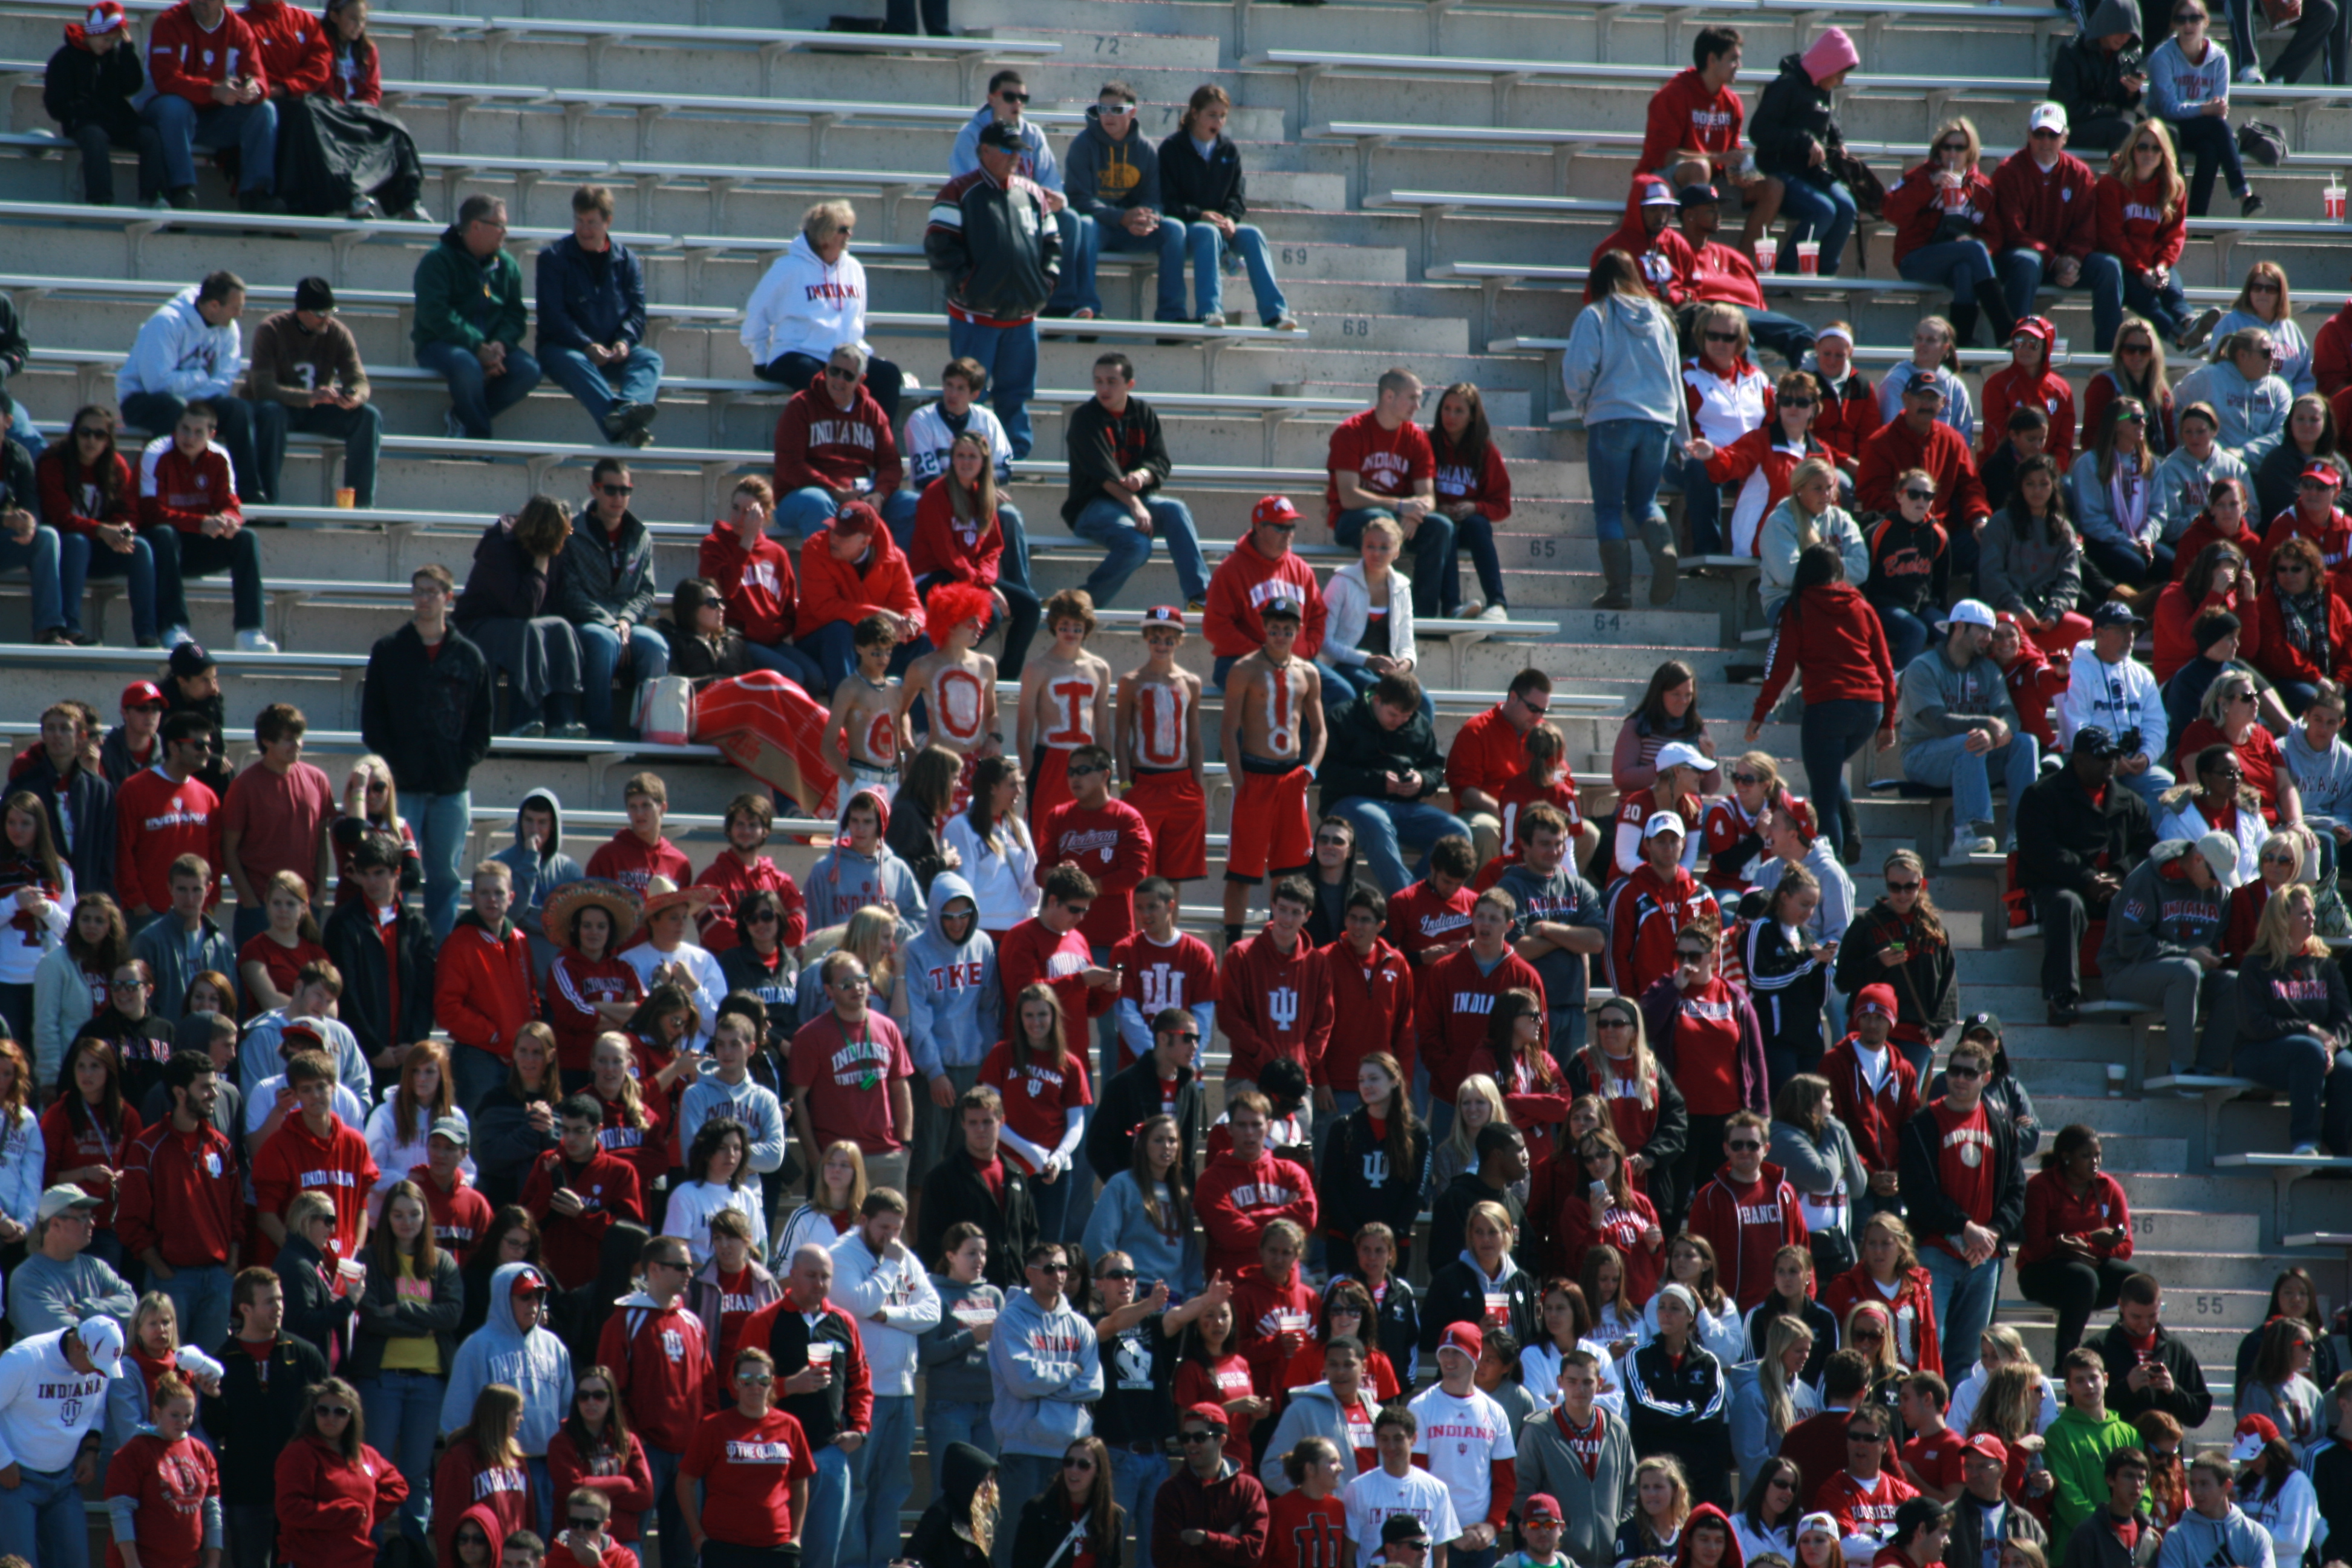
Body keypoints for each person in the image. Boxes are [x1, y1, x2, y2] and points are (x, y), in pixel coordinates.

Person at [358, 563, 491, 947]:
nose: (424, 599)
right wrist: (395, 768)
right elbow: (373, 720)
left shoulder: (469, 657)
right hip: (402, 789)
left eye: (433, 591)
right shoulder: (389, 651)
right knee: (394, 873)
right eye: (419, 590)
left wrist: (460, 764)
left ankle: (439, 955)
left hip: (452, 789)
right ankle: (393, 949)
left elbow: (482, 723)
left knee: (446, 877)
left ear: (449, 597)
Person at [926, 117, 1061, 462]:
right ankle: (971, 463)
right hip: (975, 317)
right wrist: (968, 286)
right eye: (1007, 150)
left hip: (1022, 318)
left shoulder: (1032, 193)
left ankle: (1013, 462)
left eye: (1019, 150)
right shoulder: (958, 191)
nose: (1015, 157)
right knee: (971, 394)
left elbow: (1053, 244)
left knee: (1016, 395)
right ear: (983, 151)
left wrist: (1044, 287)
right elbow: (940, 247)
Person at [1563, 250, 1689, 609]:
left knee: (1608, 508)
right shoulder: (1663, 319)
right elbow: (1675, 379)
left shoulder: (1596, 314)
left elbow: (1578, 369)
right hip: (1659, 423)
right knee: (1644, 502)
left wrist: (1584, 405)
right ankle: (1664, 550)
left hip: (1612, 418)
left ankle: (1619, 590)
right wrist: (1682, 437)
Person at [1896, 1033, 2028, 1374]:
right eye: (1954, 1071)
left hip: (1984, 1258)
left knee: (1969, 1360)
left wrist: (1993, 1233)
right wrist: (1964, 1228)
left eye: (1970, 1073)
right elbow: (1916, 1191)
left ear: (1986, 1078)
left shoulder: (2001, 1127)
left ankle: (1959, 1413)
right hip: (1935, 1251)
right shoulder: (1923, 1123)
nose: (1960, 1079)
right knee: (1928, 1350)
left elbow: (2017, 1192)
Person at [1899, 600, 2042, 858]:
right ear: (1959, 627)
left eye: (1990, 632)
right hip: (1922, 756)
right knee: (1971, 742)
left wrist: (1995, 734)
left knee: (2025, 743)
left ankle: (2020, 835)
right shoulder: (1923, 666)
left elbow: (2008, 714)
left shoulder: (1988, 669)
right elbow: (1937, 722)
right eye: (1983, 630)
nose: (1989, 638)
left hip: (1973, 755)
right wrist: (1986, 724)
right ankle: (1967, 833)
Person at [116, 1049, 238, 1351]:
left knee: (211, 1371)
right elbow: (130, 1219)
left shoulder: (222, 1146)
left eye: (215, 1086)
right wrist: (160, 1268)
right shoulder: (146, 1147)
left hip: (218, 1278)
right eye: (205, 1087)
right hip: (172, 1280)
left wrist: (231, 1264)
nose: (214, 1094)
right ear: (180, 1092)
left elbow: (238, 1210)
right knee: (167, 1366)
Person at [136, 398, 275, 655]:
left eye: (198, 432)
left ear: (211, 435)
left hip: (196, 544)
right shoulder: (156, 452)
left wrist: (229, 521)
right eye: (185, 429)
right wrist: (200, 523)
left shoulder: (220, 457)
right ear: (176, 428)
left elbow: (230, 504)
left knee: (245, 538)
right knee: (164, 534)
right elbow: (150, 511)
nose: (189, 437)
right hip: (161, 548)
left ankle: (249, 631)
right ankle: (173, 627)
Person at [742, 199, 903, 417]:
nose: (849, 235)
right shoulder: (788, 269)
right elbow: (757, 314)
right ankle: (828, 438)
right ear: (825, 235)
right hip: (797, 353)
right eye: (843, 230)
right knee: (818, 379)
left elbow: (857, 319)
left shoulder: (853, 268)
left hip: (842, 357)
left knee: (888, 375)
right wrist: (760, 360)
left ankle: (874, 438)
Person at [1155, 83, 1296, 331]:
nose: (1218, 122)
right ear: (1195, 113)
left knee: (1253, 235)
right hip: (1188, 229)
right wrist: (1200, 215)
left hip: (1221, 226)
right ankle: (1210, 310)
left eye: (1223, 116)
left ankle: (1275, 313)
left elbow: (1237, 196)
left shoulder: (1229, 150)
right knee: (1208, 232)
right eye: (1212, 115)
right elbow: (1166, 201)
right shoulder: (1171, 149)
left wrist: (1231, 218)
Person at [533, 184, 661, 448]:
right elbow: (553, 316)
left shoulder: (627, 261)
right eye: (579, 221)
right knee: (576, 362)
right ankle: (624, 428)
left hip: (611, 352)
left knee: (650, 359)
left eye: (591, 222)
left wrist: (624, 341)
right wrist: (586, 345)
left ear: (608, 221)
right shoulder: (553, 259)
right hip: (563, 350)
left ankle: (629, 407)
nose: (584, 229)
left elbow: (637, 312)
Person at [413, 195, 542, 440]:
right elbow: (435, 314)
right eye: (499, 225)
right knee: (467, 365)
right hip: (440, 344)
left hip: (491, 347)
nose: (505, 232)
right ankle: (478, 441)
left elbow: (515, 315)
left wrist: (500, 345)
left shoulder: (507, 265)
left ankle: (462, 417)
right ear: (476, 226)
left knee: (528, 371)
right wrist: (476, 346)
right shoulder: (437, 261)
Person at [247, 276, 379, 511]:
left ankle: (360, 507)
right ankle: (266, 504)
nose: (327, 319)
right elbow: (262, 388)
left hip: (316, 410)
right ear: (301, 311)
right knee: (271, 413)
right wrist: (307, 398)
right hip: (279, 409)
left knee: (367, 416)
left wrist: (354, 396)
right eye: (320, 313)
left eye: (331, 312)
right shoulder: (271, 330)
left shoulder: (337, 333)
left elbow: (359, 380)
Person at [0, 1313, 122, 1564]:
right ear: (78, 1346)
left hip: (65, 1479)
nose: (99, 1373)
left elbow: (96, 1410)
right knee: (19, 1565)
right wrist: (2, 1461)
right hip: (15, 1479)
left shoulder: (98, 1364)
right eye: (96, 1366)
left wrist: (91, 1451)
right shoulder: (25, 1358)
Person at [560, 459, 667, 739]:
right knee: (603, 640)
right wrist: (610, 623)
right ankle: (600, 734)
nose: (618, 497)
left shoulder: (640, 535)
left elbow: (646, 590)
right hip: (587, 622)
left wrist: (625, 621)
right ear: (594, 490)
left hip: (626, 623)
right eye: (610, 490)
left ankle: (650, 734)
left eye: (625, 490)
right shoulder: (571, 532)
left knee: (656, 646)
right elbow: (569, 592)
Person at [139, 0, 279, 211]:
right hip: (163, 116)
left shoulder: (239, 29)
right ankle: (181, 191)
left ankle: (256, 194)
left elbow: (257, 78)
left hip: (212, 119)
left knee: (264, 110)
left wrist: (253, 89)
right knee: (174, 106)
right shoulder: (169, 22)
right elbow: (166, 80)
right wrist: (212, 90)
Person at [1748, 27, 1861, 278]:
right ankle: (1786, 275)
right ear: (1827, 66)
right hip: (1780, 170)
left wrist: (1837, 141)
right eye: (1840, 74)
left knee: (1847, 208)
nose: (1842, 81)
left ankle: (1824, 276)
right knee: (1823, 211)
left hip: (1810, 172)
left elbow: (1824, 120)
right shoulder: (1786, 86)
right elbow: (1759, 131)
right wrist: (1803, 140)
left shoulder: (1823, 85)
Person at [1856, 374, 1993, 577]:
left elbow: (1970, 486)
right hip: (1899, 535)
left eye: (1933, 399)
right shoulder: (1880, 443)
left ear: (1943, 403)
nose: (1927, 405)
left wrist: (1979, 518)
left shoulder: (1952, 440)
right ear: (1905, 399)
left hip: (1944, 533)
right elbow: (1872, 496)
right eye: (1921, 397)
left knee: (1988, 549)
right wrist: (1913, 520)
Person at [2098, 128, 2212, 354]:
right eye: (2142, 147)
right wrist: (2141, 271)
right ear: (2131, 149)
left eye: (2156, 148)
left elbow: (2174, 235)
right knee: (2146, 300)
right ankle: (2183, 339)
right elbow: (2112, 237)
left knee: (2173, 291)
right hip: (2123, 264)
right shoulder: (2111, 184)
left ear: (2164, 153)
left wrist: (2162, 266)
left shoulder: (2173, 186)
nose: (2149, 153)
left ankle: (2191, 324)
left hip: (2155, 262)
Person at [2145, 2, 2262, 218]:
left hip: (2202, 127)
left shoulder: (2219, 58)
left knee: (2210, 147)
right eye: (2181, 19)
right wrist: (2204, 109)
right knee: (2215, 129)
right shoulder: (2162, 57)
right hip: (2165, 127)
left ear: (2206, 22)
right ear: (2174, 24)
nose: (2188, 25)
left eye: (2195, 19)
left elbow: (2219, 110)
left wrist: (2207, 111)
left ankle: (2196, 219)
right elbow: (2169, 109)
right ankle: (2244, 195)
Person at [44, 1, 163, 207]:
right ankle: (101, 200)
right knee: (95, 138)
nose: (108, 45)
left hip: (115, 120)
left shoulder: (114, 56)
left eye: (114, 40)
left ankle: (154, 197)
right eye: (106, 39)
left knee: (149, 136)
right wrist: (80, 111)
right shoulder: (65, 58)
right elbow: (56, 103)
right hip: (84, 121)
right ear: (92, 32)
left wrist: (127, 50)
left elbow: (131, 85)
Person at [102, 1367, 222, 1568]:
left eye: (188, 1415)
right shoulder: (134, 1451)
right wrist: (132, 1563)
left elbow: (212, 1511)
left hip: (187, 1562)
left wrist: (214, 1562)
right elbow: (121, 1512)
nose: (182, 1422)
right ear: (157, 1412)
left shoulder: (201, 1452)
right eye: (175, 1415)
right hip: (145, 1561)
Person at [2051, 0, 2149, 155]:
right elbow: (2069, 108)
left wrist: (2130, 93)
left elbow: (2120, 104)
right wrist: (2113, 111)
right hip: (2069, 128)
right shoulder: (2071, 51)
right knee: (2124, 129)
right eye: (2120, 30)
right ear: (2105, 24)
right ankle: (2121, 172)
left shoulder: (2125, 55)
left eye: (2130, 32)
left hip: (2106, 125)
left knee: (2158, 130)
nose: (2124, 37)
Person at [2151, 1455, 2273, 1568]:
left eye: (2204, 1484)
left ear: (2227, 1486)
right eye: (2193, 1484)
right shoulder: (2177, 1537)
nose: (2196, 1492)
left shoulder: (2255, 1534)